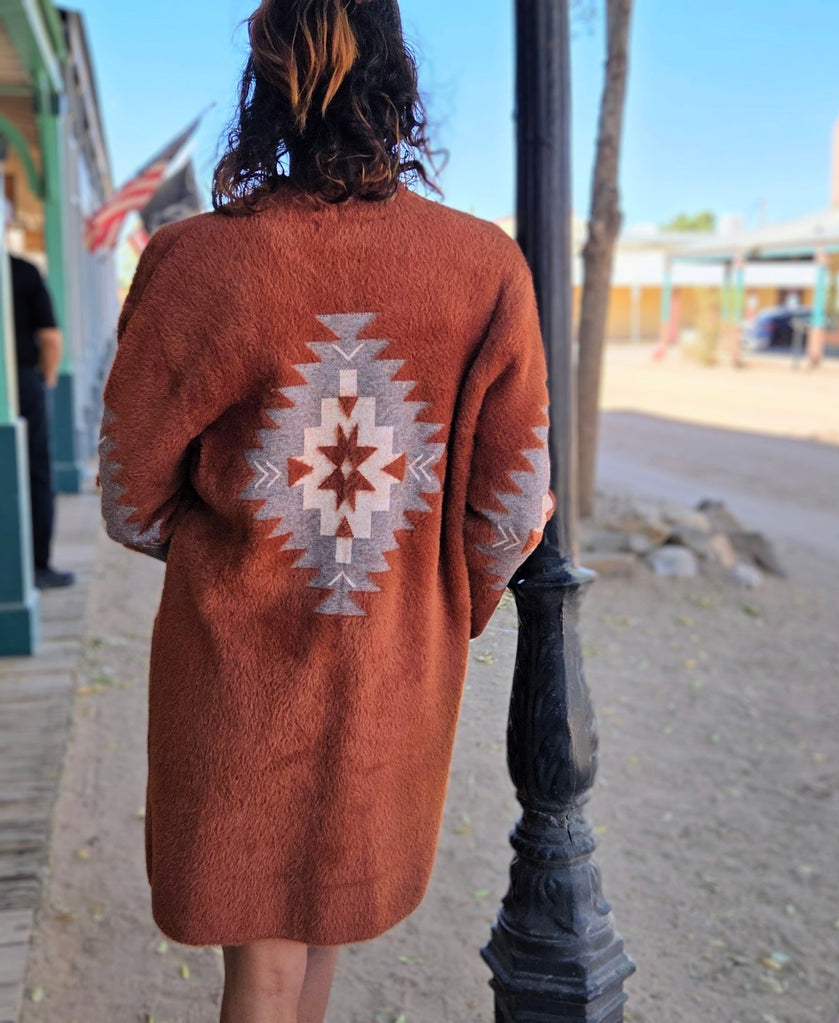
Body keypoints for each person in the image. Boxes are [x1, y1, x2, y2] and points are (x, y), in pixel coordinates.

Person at [97, 2, 553, 1021]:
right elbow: (510, 511)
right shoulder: (485, 268)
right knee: (322, 925)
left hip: (234, 676)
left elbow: (128, 500)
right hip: (391, 671)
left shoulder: (192, 261)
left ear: (263, 87)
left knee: (264, 957)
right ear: (401, 85)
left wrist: (250, 544)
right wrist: (429, 602)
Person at [12, 253, 75, 589]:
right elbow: (50, 339)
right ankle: (37, 565)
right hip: (22, 383)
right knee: (36, 472)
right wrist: (46, 381)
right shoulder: (22, 271)